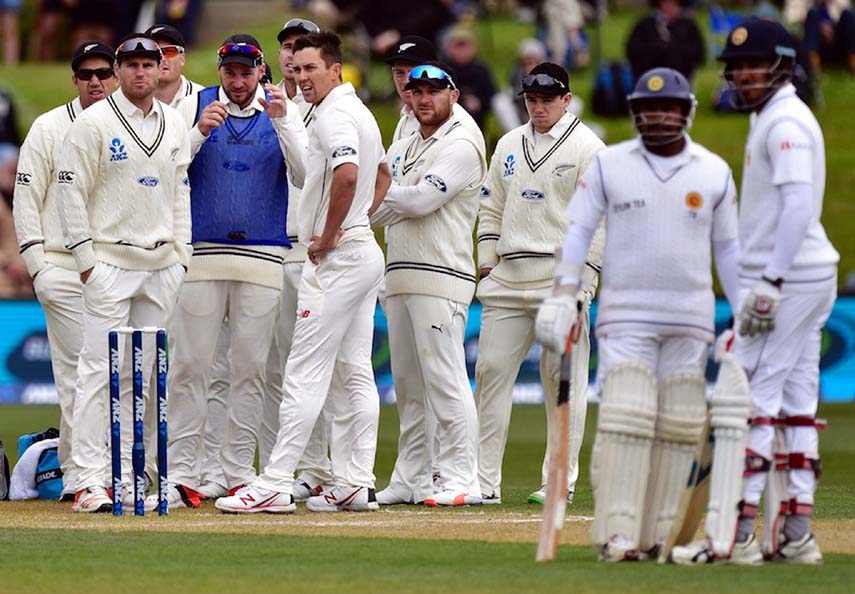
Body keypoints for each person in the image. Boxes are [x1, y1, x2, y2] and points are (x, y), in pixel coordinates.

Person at [535, 67, 741, 561]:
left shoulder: (713, 170)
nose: (658, 117)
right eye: (649, 110)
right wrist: (564, 295)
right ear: (634, 113)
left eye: (668, 108)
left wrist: (742, 314)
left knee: (680, 425)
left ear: (687, 111)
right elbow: (578, 233)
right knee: (625, 418)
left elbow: (730, 251)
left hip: (689, 318)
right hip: (626, 314)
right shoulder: (610, 165)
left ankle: (664, 533)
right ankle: (617, 533)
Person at [215, 31, 386, 513]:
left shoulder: (334, 116)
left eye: (312, 68)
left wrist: (331, 233)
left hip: (341, 256)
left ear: (336, 69)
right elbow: (384, 175)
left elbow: (349, 175)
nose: (301, 76)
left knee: (303, 372)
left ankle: (273, 481)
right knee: (354, 372)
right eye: (297, 68)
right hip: (362, 251)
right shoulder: (358, 111)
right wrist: (353, 227)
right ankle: (355, 479)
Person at [164, 34, 308, 508]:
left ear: (261, 71)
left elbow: (307, 175)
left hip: (265, 255)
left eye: (247, 72)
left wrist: (285, 125)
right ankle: (184, 471)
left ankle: (236, 470)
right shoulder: (195, 104)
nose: (239, 81)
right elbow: (169, 167)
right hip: (202, 253)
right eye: (230, 72)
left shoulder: (284, 107)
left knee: (250, 370)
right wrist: (198, 131)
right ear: (221, 71)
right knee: (192, 366)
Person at [716, 17, 838, 564]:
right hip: (805, 276)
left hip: (789, 279)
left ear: (782, 67)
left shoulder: (785, 120)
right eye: (737, 69)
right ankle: (796, 532)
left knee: (755, 394)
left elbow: (797, 208)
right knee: (795, 399)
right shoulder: (774, 115)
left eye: (754, 67)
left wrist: (769, 282)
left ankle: (740, 532)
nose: (744, 77)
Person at [56, 34, 191, 513]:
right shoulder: (93, 124)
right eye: (130, 65)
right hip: (110, 262)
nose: (139, 73)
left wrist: (183, 254)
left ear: (160, 69)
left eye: (147, 64)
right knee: (97, 371)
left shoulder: (174, 122)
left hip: (160, 265)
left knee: (150, 373)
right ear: (118, 70)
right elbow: (68, 192)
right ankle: (92, 477)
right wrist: (86, 261)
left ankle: (138, 475)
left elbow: (178, 190)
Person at [475, 62, 604, 506]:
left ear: (566, 100)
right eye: (531, 100)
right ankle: (481, 480)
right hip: (508, 277)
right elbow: (490, 205)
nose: (538, 107)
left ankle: (558, 482)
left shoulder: (589, 147)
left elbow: (599, 220)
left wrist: (583, 282)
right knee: (489, 373)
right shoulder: (510, 143)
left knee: (562, 382)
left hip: (560, 278)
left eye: (548, 99)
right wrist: (487, 260)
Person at [370, 63, 487, 507]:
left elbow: (422, 201)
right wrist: (384, 197)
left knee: (445, 379)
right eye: (416, 91)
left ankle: (462, 476)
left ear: (453, 95)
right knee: (408, 384)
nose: (422, 99)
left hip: (442, 274)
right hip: (399, 272)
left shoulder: (462, 142)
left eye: (433, 92)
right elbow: (379, 209)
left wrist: (384, 193)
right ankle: (413, 476)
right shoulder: (404, 144)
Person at [12, 41, 118, 501]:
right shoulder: (49, 126)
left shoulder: (128, 126)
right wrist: (39, 266)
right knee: (82, 374)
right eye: (85, 73)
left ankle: (106, 470)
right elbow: (25, 199)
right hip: (63, 267)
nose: (95, 81)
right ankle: (80, 475)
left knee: (114, 375)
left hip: (118, 269)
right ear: (74, 79)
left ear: (114, 76)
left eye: (102, 72)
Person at [269, 15, 336, 501]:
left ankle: (320, 467)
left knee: (317, 367)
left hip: (316, 249)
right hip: (274, 249)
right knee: (278, 369)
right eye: (286, 47)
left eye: (301, 48)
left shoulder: (326, 109)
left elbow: (305, 173)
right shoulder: (270, 102)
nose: (291, 55)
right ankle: (294, 464)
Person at [625, 0, 706, 82]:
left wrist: (673, 48)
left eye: (673, 3)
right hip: (649, 78)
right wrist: (656, 48)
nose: (670, 7)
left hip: (680, 78)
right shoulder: (645, 24)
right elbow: (632, 51)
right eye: (666, 3)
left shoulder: (688, 25)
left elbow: (698, 54)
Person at [441, 27, 498, 131]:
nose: (462, 51)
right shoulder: (442, 70)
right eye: (458, 46)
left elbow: (492, 94)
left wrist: (480, 103)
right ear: (449, 48)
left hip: (477, 117)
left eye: (465, 46)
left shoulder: (481, 69)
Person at [145, 24, 204, 108]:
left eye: (169, 51)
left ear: (182, 59)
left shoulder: (203, 99)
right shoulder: (131, 98)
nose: (162, 58)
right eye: (153, 52)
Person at [803, 0, 855, 76]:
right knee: (813, 12)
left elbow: (848, 21)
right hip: (817, 44)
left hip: (838, 42)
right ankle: (813, 63)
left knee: (849, 14)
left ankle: (853, 60)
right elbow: (793, 22)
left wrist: (832, 27)